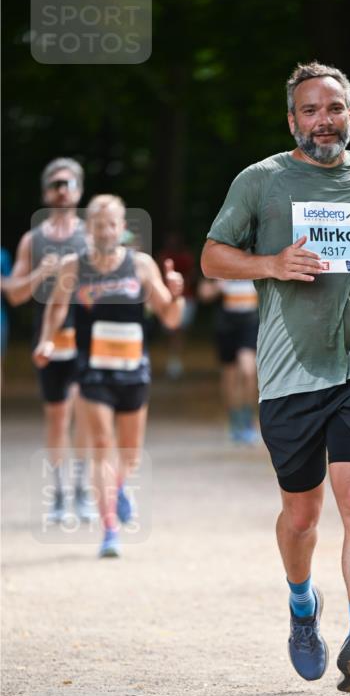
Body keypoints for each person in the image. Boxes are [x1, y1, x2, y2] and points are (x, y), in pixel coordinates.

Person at [201, 61, 350, 693]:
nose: (325, 121)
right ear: (292, 119)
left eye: (335, 108)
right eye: (311, 111)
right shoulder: (262, 181)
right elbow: (214, 256)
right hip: (292, 368)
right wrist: (271, 262)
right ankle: (302, 605)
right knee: (301, 515)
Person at [33, 195, 184, 558]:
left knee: (129, 455)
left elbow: (171, 319)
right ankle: (109, 529)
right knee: (102, 445)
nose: (105, 231)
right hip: (93, 371)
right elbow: (55, 309)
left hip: (134, 371)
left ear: (122, 228)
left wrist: (176, 295)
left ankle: (116, 491)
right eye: (98, 225)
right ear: (90, 229)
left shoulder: (141, 265)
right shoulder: (74, 266)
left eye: (112, 224)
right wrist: (47, 342)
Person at [3, 158, 93, 521]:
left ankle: (83, 490)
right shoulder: (33, 240)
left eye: (68, 183)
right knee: (57, 419)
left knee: (83, 412)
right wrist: (41, 272)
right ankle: (58, 495)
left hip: (85, 334)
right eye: (55, 184)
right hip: (49, 337)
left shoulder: (90, 235)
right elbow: (14, 294)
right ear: (45, 192)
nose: (61, 190)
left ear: (79, 190)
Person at [197, 272, 260, 443]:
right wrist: (218, 286)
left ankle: (248, 419)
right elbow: (203, 293)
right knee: (229, 377)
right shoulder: (220, 259)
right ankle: (234, 420)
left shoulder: (257, 255)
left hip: (250, 324)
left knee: (248, 371)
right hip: (226, 326)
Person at [157, 231, 197, 380]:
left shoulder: (186, 256)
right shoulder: (163, 256)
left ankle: (175, 360)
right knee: (172, 332)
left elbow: (192, 275)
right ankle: (173, 359)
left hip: (186, 299)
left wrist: (181, 285)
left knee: (179, 332)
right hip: (167, 299)